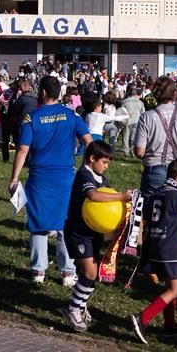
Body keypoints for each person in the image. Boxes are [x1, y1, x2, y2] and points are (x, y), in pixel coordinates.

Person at [7, 75, 93, 287]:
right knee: (66, 224)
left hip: (39, 177)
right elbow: (89, 141)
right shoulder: (71, 115)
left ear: (43, 93)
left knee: (38, 224)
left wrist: (14, 178)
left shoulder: (31, 118)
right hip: (66, 178)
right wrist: (86, 168)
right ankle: (67, 272)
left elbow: (22, 149)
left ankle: (38, 271)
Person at [61, 140, 127, 331]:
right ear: (92, 159)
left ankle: (81, 307)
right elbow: (94, 196)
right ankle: (72, 309)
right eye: (104, 162)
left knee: (92, 273)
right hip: (78, 232)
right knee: (90, 272)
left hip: (93, 233)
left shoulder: (101, 179)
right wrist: (121, 196)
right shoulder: (84, 175)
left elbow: (107, 206)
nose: (106, 167)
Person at [131, 158, 177, 344]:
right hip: (172, 248)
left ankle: (170, 325)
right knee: (176, 290)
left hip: (156, 245)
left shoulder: (157, 192)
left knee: (169, 286)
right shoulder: (176, 195)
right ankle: (143, 318)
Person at [133, 77, 177, 198]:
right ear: (174, 94)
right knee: (176, 210)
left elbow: (139, 152)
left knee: (151, 211)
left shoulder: (147, 117)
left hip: (155, 168)